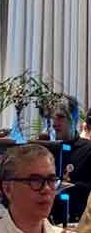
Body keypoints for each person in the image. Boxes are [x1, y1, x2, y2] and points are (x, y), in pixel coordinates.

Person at [45, 95, 91, 223]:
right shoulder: (47, 150)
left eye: (60, 117)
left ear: (74, 118)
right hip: (48, 223)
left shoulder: (88, 149)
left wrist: (69, 187)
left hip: (78, 222)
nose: (55, 124)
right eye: (53, 118)